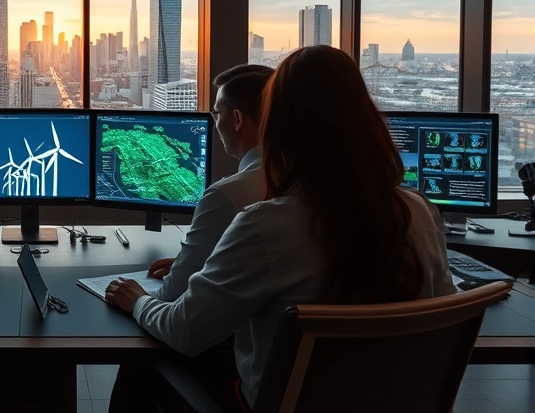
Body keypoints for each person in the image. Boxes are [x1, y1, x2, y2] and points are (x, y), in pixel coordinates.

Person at [106, 46, 455, 412]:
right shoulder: (421, 213)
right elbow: (442, 322)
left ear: (278, 122)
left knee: (142, 361)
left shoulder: (266, 225)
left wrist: (138, 301)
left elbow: (184, 331)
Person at [147, 64, 274, 297]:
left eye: (216, 113)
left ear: (237, 119)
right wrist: (198, 261)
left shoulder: (225, 198)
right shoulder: (299, 181)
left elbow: (172, 296)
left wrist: (134, 298)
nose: (214, 122)